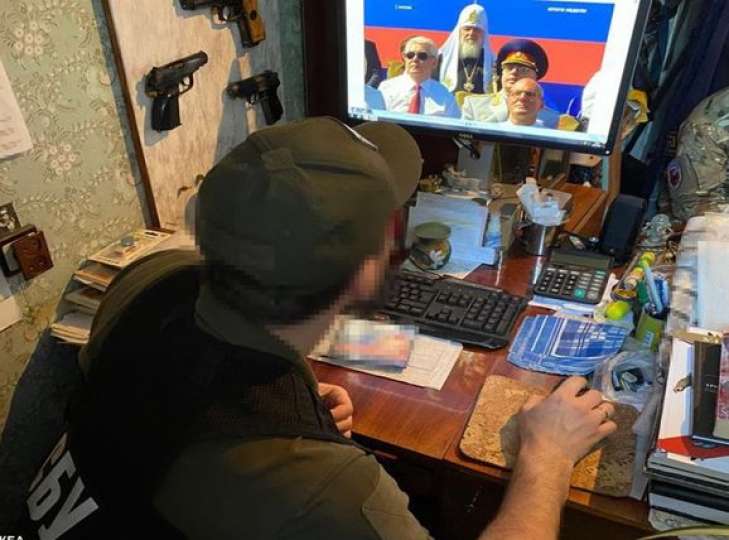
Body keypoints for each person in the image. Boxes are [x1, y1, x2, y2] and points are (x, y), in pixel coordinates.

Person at [20, 117, 617, 540]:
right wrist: (547, 456)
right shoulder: (330, 492)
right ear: (367, 272)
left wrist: (295, 398)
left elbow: (172, 387)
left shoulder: (151, 276)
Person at [462, 38, 559, 127]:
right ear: (502, 73)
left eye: (523, 69)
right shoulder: (475, 106)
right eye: (509, 68)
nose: (514, 72)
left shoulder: (550, 118)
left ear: (535, 77)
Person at [379, 36, 460, 118]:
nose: (415, 59)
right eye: (410, 55)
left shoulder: (445, 95)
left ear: (434, 62)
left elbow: (454, 124)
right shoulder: (387, 88)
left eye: (422, 56)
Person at [437, 3, 494, 97]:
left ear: (483, 34)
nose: (471, 33)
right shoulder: (442, 59)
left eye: (477, 30)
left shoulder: (493, 64)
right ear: (459, 32)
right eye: (467, 29)